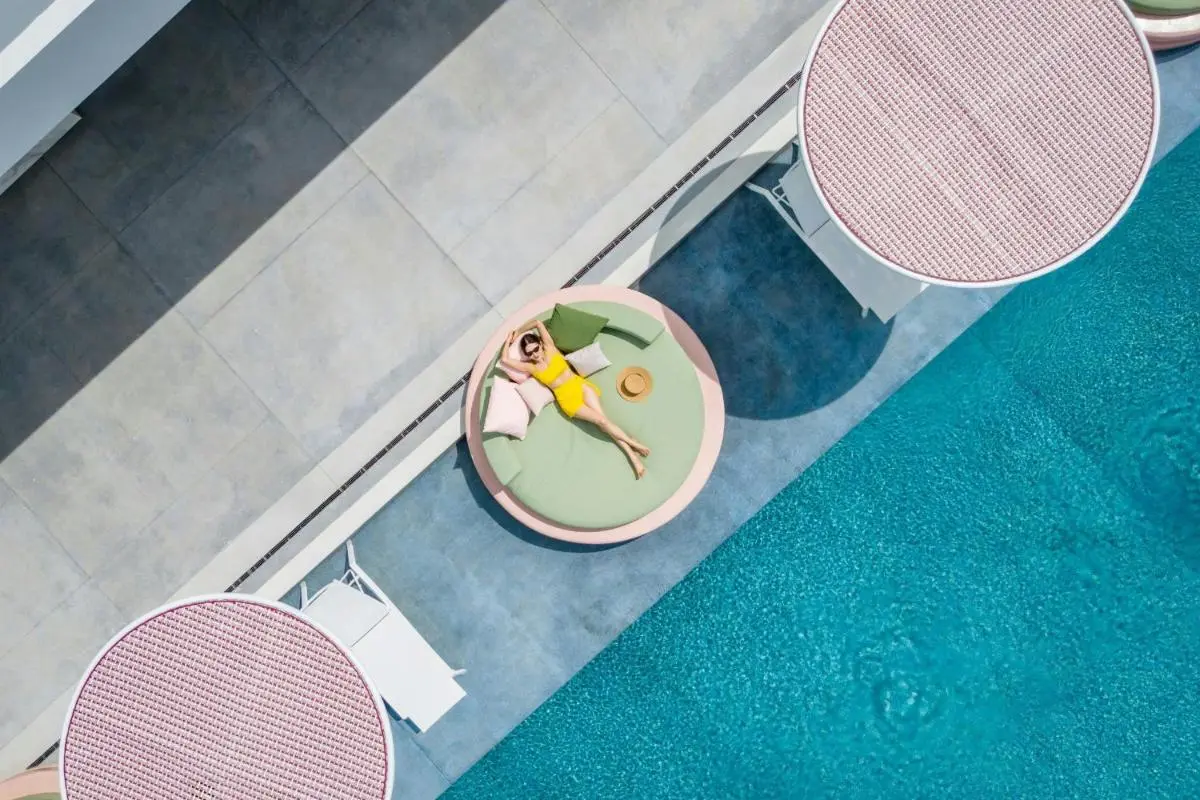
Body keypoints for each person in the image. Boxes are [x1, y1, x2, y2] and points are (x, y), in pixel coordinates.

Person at [500, 319, 651, 479]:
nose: (535, 354)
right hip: (568, 400)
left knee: (603, 421)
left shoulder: (551, 348)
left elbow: (537, 323)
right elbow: (505, 360)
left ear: (540, 344)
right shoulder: (532, 367)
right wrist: (508, 342)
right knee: (602, 422)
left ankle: (634, 456)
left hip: (580, 386)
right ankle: (632, 447)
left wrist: (517, 332)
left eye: (536, 349)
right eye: (529, 353)